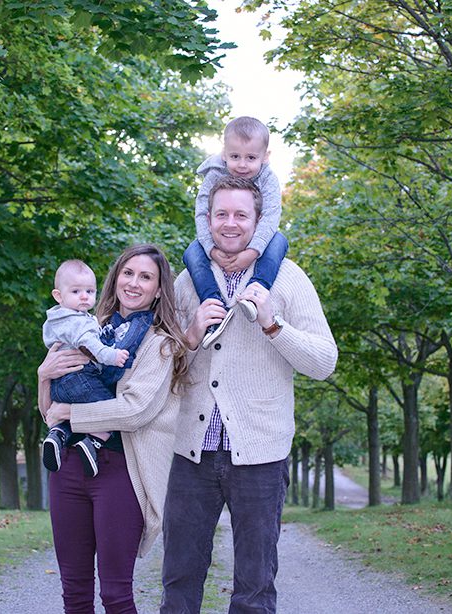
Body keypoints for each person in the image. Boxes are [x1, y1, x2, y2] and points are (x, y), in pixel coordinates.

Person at [162, 176, 338, 613]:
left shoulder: (289, 278)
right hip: (190, 454)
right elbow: (159, 367)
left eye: (241, 214)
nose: (230, 223)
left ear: (258, 222)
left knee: (255, 586)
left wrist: (274, 325)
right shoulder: (187, 281)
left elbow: (323, 362)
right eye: (221, 213)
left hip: (260, 455)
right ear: (208, 219)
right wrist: (190, 333)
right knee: (179, 580)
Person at [38, 244, 189, 614]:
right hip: (68, 468)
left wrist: (71, 414)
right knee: (73, 592)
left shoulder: (161, 345)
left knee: (116, 594)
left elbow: (134, 411)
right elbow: (49, 413)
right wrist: (43, 377)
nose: (134, 283)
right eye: (128, 273)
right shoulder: (85, 328)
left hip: (120, 473)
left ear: (158, 289)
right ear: (115, 277)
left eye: (146, 277)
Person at [182, 116, 289, 349]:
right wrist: (210, 249)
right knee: (192, 252)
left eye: (251, 158)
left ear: (265, 157)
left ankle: (256, 290)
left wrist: (252, 252)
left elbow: (270, 217)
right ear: (224, 154)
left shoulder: (268, 179)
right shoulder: (214, 174)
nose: (242, 165)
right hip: (212, 243)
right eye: (235, 157)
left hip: (260, 241)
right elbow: (202, 213)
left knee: (279, 241)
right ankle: (212, 302)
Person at [41, 259, 153, 478]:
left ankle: (57, 436)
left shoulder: (65, 319)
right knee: (107, 408)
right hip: (80, 380)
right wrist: (42, 375)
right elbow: (92, 348)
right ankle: (94, 440)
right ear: (58, 295)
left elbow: (52, 413)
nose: (84, 296)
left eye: (89, 291)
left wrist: (63, 411)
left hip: (62, 389)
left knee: (61, 422)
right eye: (76, 291)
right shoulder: (80, 322)